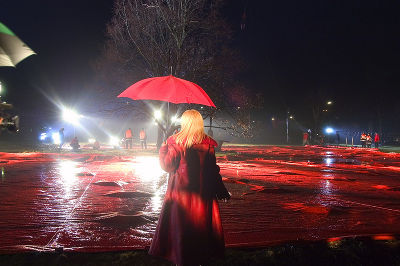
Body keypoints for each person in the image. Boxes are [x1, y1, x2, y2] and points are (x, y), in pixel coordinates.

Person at [149, 109, 231, 266]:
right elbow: (213, 171)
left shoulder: (175, 142)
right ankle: (200, 257)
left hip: (181, 195)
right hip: (203, 195)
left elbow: (167, 166)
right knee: (200, 227)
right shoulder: (208, 144)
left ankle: (180, 256)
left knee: (181, 228)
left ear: (184, 123)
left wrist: (163, 149)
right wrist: (222, 191)